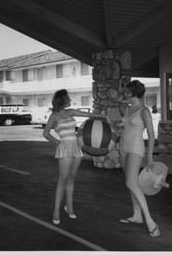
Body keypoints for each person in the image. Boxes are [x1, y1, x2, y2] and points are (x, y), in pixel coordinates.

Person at [43, 89, 109, 225]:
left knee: (71, 178)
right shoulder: (54, 116)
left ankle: (69, 206)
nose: (70, 100)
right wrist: (58, 142)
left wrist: (104, 117)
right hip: (65, 147)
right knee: (63, 179)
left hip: (76, 147)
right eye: (68, 98)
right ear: (62, 100)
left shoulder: (71, 111)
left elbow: (88, 114)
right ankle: (56, 210)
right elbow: (46, 133)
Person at [118, 80, 160, 238]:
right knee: (131, 183)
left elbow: (151, 134)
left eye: (127, 92)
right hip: (123, 147)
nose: (124, 95)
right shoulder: (128, 108)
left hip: (136, 148)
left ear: (134, 93)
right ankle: (136, 215)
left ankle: (149, 220)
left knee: (131, 183)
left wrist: (150, 156)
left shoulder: (144, 111)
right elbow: (126, 125)